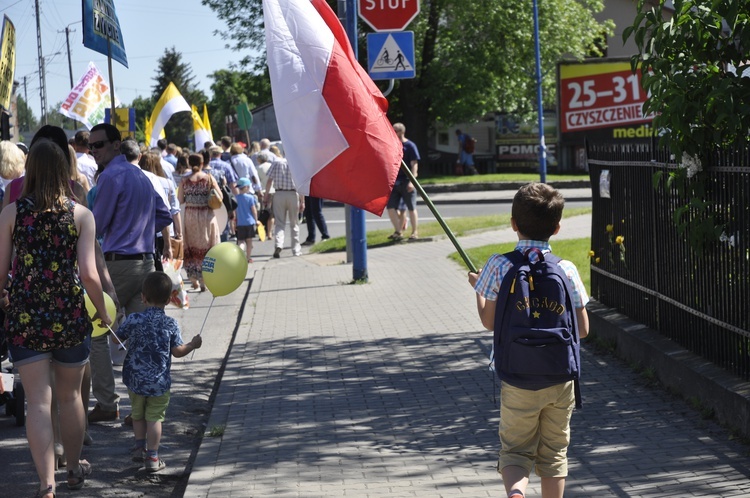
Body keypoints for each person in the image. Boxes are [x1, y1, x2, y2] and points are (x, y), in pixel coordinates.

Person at [0, 135, 112, 497]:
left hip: (26, 316)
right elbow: (89, 272)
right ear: (65, 172)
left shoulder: (11, 213)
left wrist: (6, 296)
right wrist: (103, 310)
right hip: (69, 313)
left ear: (29, 171)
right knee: (70, 398)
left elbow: (1, 271)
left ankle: (46, 484)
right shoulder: (81, 214)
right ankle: (75, 468)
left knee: (38, 401)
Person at [468, 183, 589, 498]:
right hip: (561, 376)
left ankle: (517, 494)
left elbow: (488, 322)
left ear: (513, 224)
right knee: (554, 454)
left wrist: (480, 290)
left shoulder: (499, 265)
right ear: (558, 227)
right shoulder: (566, 268)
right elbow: (583, 329)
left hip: (518, 377)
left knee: (516, 450)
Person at [88, 122, 173, 424]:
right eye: (90, 145)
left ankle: (108, 403)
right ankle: (141, 410)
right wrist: (141, 227)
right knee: (142, 338)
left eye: (98, 145)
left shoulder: (111, 177)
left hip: (117, 264)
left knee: (97, 332)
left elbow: (94, 225)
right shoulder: (139, 175)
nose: (93, 150)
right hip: (145, 262)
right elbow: (164, 214)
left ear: (115, 144)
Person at [118, 271, 202, 473]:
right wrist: (192, 345)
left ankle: (139, 448)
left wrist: (116, 322)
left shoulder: (134, 319)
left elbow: (116, 339)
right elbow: (177, 352)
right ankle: (153, 457)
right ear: (168, 299)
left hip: (135, 379)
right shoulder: (170, 324)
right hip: (158, 381)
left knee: (138, 415)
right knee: (154, 417)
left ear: (143, 297)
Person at [177, 153, 222, 291]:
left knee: (191, 247)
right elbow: (219, 196)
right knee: (208, 246)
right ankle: (204, 280)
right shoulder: (208, 178)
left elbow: (180, 200)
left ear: (189, 164)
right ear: (202, 163)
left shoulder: (184, 180)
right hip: (206, 215)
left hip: (191, 216)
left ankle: (193, 280)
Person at [264, 150, 303, 258]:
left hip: (279, 194)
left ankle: (278, 244)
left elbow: (269, 181)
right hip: (292, 194)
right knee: (294, 223)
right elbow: (300, 183)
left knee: (280, 223)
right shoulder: (295, 164)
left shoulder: (276, 162)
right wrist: (302, 201)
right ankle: (296, 249)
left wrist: (266, 195)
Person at [386, 122, 420, 241]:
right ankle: (398, 231)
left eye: (395, 131)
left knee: (411, 208)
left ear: (401, 132)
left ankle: (415, 232)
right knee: (390, 207)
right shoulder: (391, 146)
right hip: (394, 182)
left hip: (406, 181)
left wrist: (412, 181)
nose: (392, 133)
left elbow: (414, 164)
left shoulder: (410, 146)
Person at [234, 177, 258, 262]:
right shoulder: (251, 198)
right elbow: (254, 210)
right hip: (250, 222)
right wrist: (256, 220)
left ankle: (240, 256)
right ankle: (248, 258)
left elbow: (235, 212)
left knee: (241, 241)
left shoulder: (236, 198)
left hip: (240, 223)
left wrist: (234, 223)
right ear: (247, 187)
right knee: (249, 241)